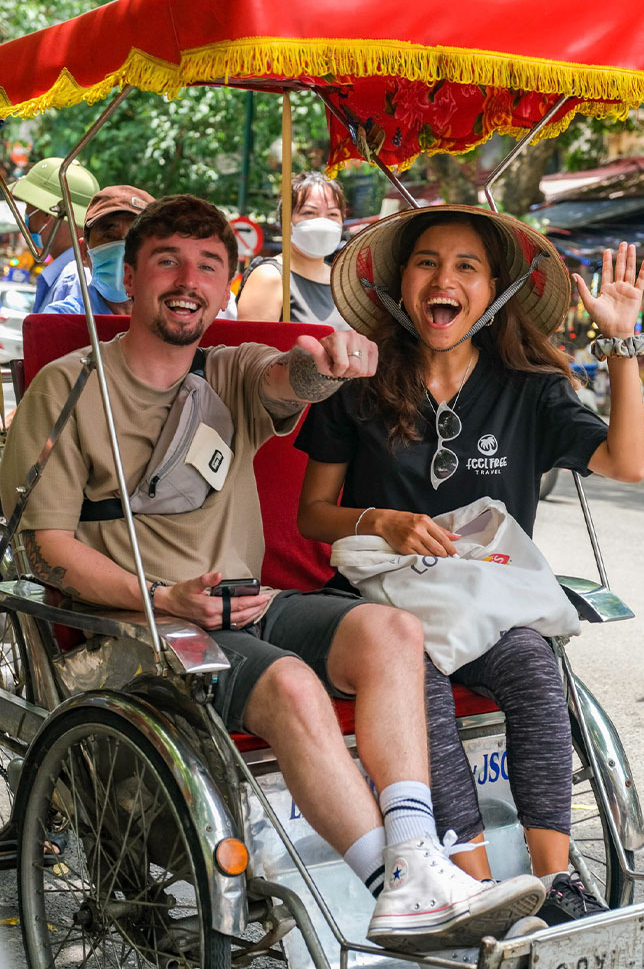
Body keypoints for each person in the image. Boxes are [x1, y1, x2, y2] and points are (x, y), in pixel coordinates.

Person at [0, 194, 544, 950]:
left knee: (391, 629)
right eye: (167, 262)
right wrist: (162, 597)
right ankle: (393, 884)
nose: (188, 280)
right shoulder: (65, 388)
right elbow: (49, 547)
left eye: (208, 266)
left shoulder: (228, 371)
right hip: (142, 626)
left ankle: (418, 862)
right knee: (289, 680)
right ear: (129, 278)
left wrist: (324, 365)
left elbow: (290, 379)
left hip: (248, 606)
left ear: (227, 288)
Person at [295, 204, 644, 927]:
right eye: (426, 262)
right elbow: (312, 514)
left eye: (465, 267)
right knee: (412, 675)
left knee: (533, 664)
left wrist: (621, 344)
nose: (442, 280)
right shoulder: (358, 384)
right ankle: (474, 885)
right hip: (381, 606)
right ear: (401, 286)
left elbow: (627, 463)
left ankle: (556, 885)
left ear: (493, 292)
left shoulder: (528, 389)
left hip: (484, 605)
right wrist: (381, 522)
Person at [236, 171, 350, 328]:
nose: (323, 222)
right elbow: (251, 348)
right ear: (286, 222)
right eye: (309, 212)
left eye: (332, 214)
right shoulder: (270, 276)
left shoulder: (344, 281)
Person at [42, 184, 154, 315]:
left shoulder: (169, 325)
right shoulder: (63, 319)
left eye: (135, 238)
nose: (122, 251)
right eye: (109, 236)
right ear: (83, 251)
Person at [10, 157, 100, 311]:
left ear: (47, 214)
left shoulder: (73, 279)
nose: (26, 215)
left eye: (29, 207)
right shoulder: (72, 275)